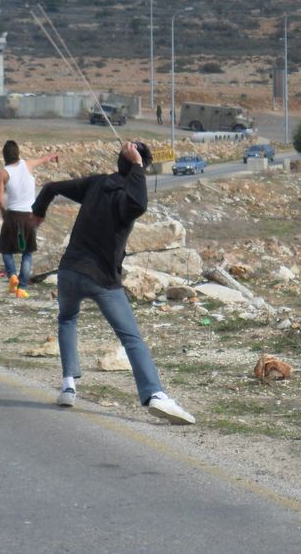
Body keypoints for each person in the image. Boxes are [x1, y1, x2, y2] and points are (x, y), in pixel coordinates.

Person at [30, 141, 195, 425]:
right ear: (138, 169)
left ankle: (69, 385)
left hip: (69, 271)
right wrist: (138, 167)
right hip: (102, 279)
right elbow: (139, 202)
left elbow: (51, 187)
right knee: (131, 338)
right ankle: (155, 394)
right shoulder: (126, 201)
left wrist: (38, 213)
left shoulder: (96, 184)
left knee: (67, 319)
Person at [0, 140, 58, 299]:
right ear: (17, 153)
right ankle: (22, 288)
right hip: (29, 215)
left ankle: (12, 276)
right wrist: (53, 156)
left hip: (12, 215)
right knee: (28, 253)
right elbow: (44, 159)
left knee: (6, 248)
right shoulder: (28, 164)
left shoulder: (3, 173)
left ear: (5, 156)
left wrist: (3, 213)